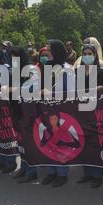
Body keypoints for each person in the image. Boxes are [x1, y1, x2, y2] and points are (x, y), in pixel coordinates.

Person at [40, 39, 75, 188]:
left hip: (61, 111)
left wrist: (52, 92)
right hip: (46, 109)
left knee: (59, 141)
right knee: (48, 140)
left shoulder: (66, 69)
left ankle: (62, 173)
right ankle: (51, 171)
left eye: (49, 47)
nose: (46, 50)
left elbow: (71, 92)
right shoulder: (47, 66)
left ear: (56, 50)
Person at [76, 44, 103, 189]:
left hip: (96, 113)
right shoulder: (78, 72)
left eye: (90, 53)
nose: (87, 56)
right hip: (81, 112)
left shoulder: (101, 72)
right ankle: (87, 173)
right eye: (85, 53)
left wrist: (99, 89)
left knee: (95, 144)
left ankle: (97, 175)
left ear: (95, 56)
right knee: (83, 143)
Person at [9, 47, 39, 183]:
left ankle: (32, 170)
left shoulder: (31, 70)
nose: (13, 60)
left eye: (16, 57)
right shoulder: (13, 71)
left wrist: (16, 89)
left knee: (29, 142)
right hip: (16, 110)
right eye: (12, 57)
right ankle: (23, 167)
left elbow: (33, 87)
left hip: (28, 111)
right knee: (21, 141)